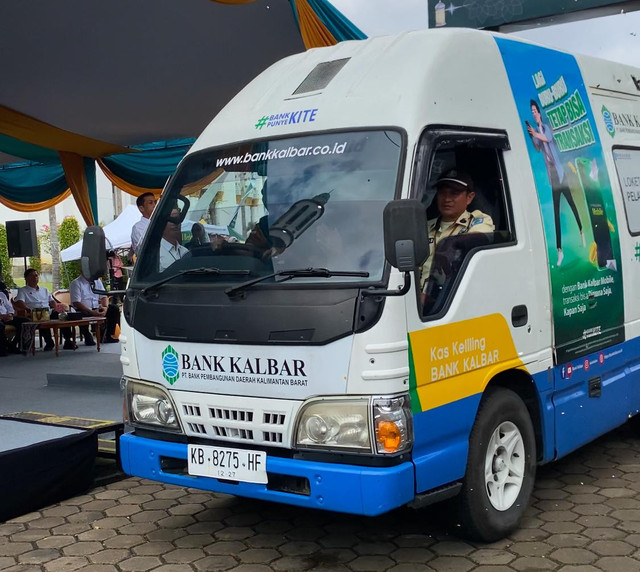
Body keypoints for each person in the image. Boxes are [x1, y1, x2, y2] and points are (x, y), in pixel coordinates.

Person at [420, 170, 494, 301]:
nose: (447, 199)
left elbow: (480, 238)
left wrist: (452, 243)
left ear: (469, 197)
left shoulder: (478, 220)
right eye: (442, 193)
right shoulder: (423, 227)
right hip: (418, 299)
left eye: (454, 193)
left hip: (451, 299)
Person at [528, 100, 585, 267]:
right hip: (552, 176)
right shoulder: (537, 131)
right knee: (556, 213)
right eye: (531, 112)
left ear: (539, 112)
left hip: (561, 175)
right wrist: (532, 135)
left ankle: (581, 231)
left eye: (534, 111)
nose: (534, 114)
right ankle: (560, 251)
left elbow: (546, 139)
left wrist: (536, 132)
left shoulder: (546, 127)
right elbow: (538, 147)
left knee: (572, 204)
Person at [13, 268, 75, 351]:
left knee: (63, 316)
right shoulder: (23, 290)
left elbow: (52, 301)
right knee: (42, 317)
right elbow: (20, 302)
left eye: (36, 276)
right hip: (35, 313)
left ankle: (68, 341)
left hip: (48, 311)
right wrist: (28, 309)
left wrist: (56, 307)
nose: (35, 278)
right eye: (32, 276)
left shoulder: (44, 289)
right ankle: (49, 342)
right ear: (26, 278)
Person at [69, 274, 120, 344]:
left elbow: (103, 296)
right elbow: (76, 302)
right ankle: (87, 335)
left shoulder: (97, 281)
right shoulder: (76, 283)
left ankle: (107, 335)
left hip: (97, 306)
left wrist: (105, 307)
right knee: (81, 313)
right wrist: (91, 311)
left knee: (114, 308)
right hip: (84, 308)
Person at [0, 289, 28, 355]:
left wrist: (10, 314)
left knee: (25, 322)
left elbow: (9, 307)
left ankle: (14, 345)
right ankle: (3, 348)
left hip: (6, 317)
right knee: (0, 325)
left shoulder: (1, 294)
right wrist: (1, 316)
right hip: (1, 318)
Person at [131, 192, 157, 257]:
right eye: (150, 203)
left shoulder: (161, 222)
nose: (155, 205)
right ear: (141, 208)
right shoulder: (138, 228)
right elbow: (148, 250)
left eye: (155, 202)